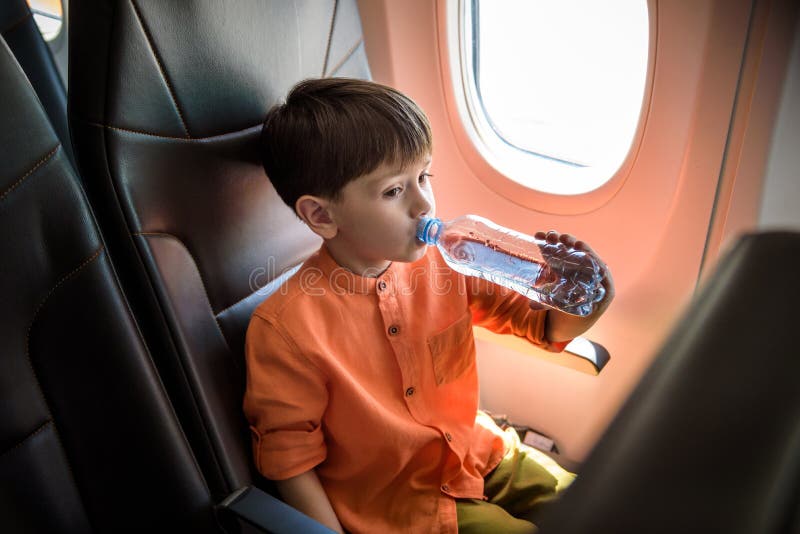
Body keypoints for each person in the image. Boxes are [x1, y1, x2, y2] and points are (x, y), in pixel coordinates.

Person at [243, 77, 614, 534]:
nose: (424, 204)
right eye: (394, 191)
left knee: (601, 502)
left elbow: (542, 326)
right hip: (403, 504)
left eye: (424, 176)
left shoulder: (447, 265)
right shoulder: (287, 328)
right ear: (322, 215)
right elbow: (290, 459)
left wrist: (588, 295)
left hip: (480, 452)